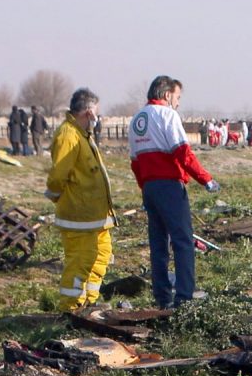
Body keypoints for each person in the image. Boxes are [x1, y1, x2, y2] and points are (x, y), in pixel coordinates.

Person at [129, 75, 219, 307]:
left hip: (150, 187)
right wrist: (205, 179)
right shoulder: (167, 115)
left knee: (158, 243)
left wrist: (145, 188)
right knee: (182, 241)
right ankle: (184, 297)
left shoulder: (136, 120)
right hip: (169, 185)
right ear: (167, 95)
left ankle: (162, 297)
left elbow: (135, 162)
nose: (178, 103)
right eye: (177, 97)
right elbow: (182, 152)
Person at [46, 87, 115, 310]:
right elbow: (58, 175)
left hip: (95, 216)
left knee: (100, 256)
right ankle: (70, 309)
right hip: (80, 216)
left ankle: (89, 303)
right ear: (89, 112)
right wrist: (59, 197)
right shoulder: (69, 134)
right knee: (80, 262)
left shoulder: (82, 134)